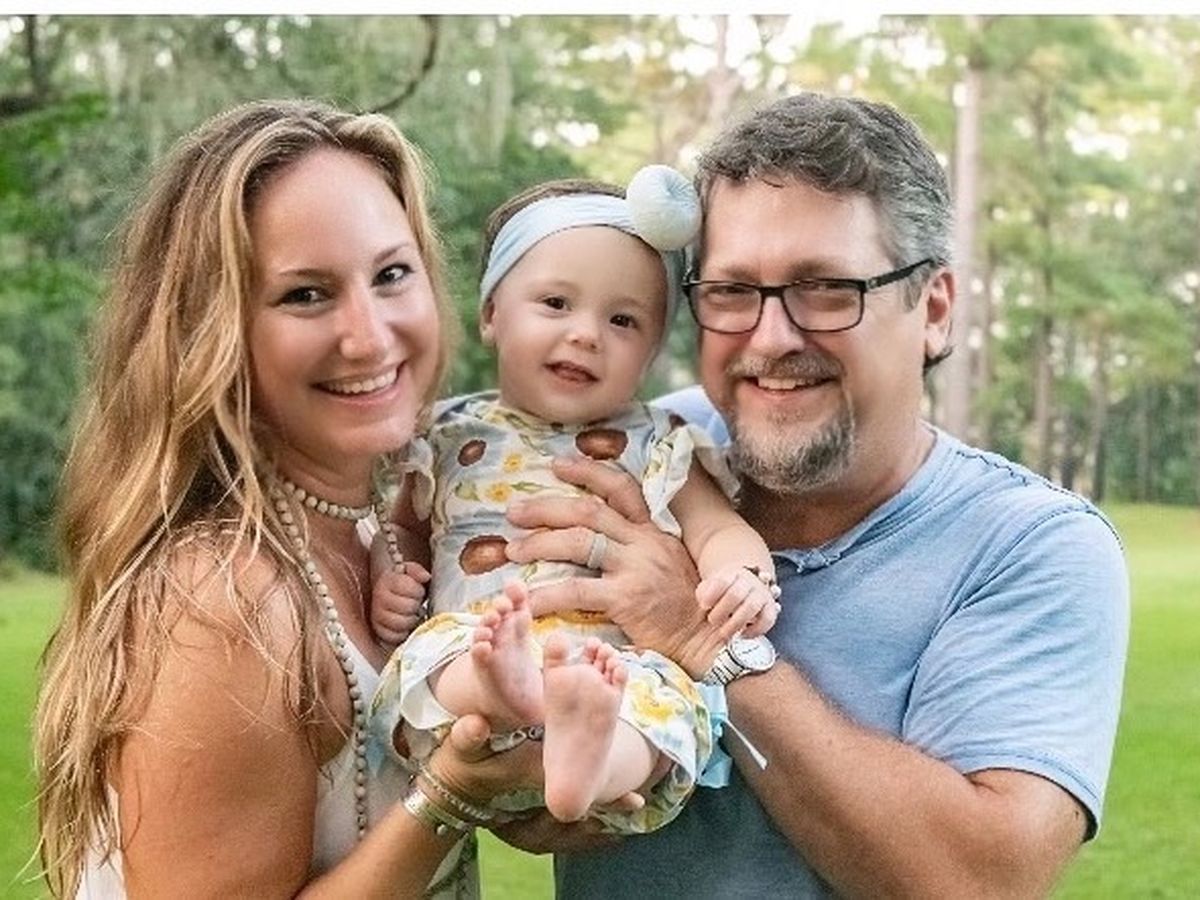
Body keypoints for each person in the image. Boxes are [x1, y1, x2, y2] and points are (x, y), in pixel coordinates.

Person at [496, 92, 1130, 896]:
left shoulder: (1032, 547)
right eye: (731, 291)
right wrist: (507, 772)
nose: (770, 338)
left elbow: (980, 880)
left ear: (934, 311)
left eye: (827, 288)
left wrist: (706, 639)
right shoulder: (646, 449)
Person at [33, 99, 537, 899]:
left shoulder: (383, 533)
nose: (370, 336)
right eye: (306, 295)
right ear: (209, 328)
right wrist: (452, 792)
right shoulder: (223, 599)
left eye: (391, 274)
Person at [367, 171, 782, 835]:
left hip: (609, 667)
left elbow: (717, 529)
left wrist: (743, 577)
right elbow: (403, 532)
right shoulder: (445, 435)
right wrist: (393, 577)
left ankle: (592, 759)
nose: (587, 334)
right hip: (483, 648)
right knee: (438, 653)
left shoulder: (657, 442)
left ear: (651, 352)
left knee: (664, 704)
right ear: (492, 313)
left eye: (623, 320)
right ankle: (504, 688)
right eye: (556, 303)